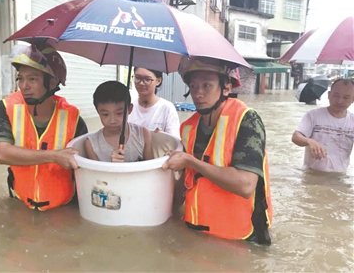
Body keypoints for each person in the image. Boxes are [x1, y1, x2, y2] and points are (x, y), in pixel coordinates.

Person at [161, 56, 273, 245]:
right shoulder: (188, 127)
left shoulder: (247, 120)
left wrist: (190, 161)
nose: (198, 93)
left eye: (207, 85)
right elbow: (186, 185)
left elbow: (245, 186)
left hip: (241, 239)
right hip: (195, 232)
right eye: (194, 86)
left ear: (226, 88)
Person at [0, 43, 88, 211]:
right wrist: (54, 156)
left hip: (63, 209)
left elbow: (87, 166)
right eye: (20, 78)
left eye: (32, 79)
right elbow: (2, 154)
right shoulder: (5, 108)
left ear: (52, 82)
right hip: (19, 204)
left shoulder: (74, 119)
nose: (24, 86)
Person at [292, 78, 354, 172]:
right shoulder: (313, 115)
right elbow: (296, 137)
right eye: (336, 96)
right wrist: (309, 141)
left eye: (346, 97)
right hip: (312, 175)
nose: (340, 101)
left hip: (339, 178)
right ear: (329, 95)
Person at [85, 81, 154, 162]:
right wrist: (112, 166)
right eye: (105, 114)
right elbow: (94, 173)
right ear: (98, 112)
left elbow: (151, 167)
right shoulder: (91, 144)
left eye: (119, 113)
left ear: (130, 109)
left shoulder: (142, 134)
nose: (112, 121)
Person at [128, 67, 180, 139]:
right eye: (137, 78)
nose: (141, 83)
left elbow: (175, 141)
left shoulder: (167, 108)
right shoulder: (129, 107)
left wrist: (163, 136)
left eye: (147, 79)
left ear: (158, 81)